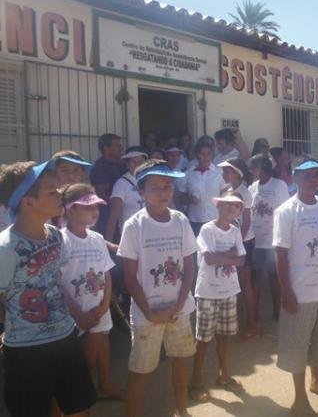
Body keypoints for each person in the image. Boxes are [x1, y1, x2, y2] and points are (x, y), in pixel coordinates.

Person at [0, 160, 97, 417]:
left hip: (65, 339)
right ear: (28, 202)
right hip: (26, 351)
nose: (60, 194)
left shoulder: (55, 235)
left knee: (79, 407)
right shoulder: (5, 248)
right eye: (52, 191)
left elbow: (56, 281)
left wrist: (76, 316)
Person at [117, 159, 197, 417]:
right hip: (146, 314)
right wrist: (151, 313)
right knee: (140, 371)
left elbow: (189, 267)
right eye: (155, 188)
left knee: (180, 362)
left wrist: (179, 304)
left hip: (179, 310)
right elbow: (130, 277)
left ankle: (183, 410)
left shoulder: (181, 221)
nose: (164, 192)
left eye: (168, 186)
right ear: (141, 192)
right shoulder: (134, 226)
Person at [273, 159, 318, 414]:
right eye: (308, 176)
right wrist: (287, 291)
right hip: (299, 292)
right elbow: (280, 255)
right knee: (297, 344)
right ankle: (299, 397)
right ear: (296, 178)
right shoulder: (286, 211)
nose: (313, 180)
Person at [60, 183, 121, 400]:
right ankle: (79, 399)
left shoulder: (96, 239)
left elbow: (106, 274)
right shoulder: (61, 240)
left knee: (96, 349)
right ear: (70, 209)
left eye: (96, 207)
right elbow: (56, 282)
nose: (95, 211)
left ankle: (100, 388)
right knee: (82, 360)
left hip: (98, 310)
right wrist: (78, 314)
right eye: (88, 207)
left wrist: (104, 306)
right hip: (73, 313)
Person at [189, 191, 247, 402]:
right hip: (208, 292)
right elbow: (210, 259)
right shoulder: (207, 229)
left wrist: (229, 256)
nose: (231, 208)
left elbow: (242, 260)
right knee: (203, 338)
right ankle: (195, 381)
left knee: (224, 335)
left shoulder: (235, 231)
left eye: (236, 206)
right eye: (227, 204)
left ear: (240, 210)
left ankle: (223, 375)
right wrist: (231, 254)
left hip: (229, 290)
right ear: (218, 206)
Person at [218, 158, 258, 338]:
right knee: (236, 285)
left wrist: (238, 244)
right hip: (231, 243)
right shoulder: (226, 191)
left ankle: (253, 325)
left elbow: (247, 221)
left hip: (244, 243)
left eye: (227, 170)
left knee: (245, 284)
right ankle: (240, 324)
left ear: (236, 172)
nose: (223, 174)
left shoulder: (246, 193)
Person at [248, 154, 289, 321]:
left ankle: (278, 312)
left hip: (273, 240)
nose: (251, 171)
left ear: (263, 168)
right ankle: (254, 313)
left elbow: (284, 211)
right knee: (256, 277)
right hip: (256, 240)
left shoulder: (279, 185)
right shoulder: (252, 187)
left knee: (274, 277)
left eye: (254, 167)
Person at [104, 147, 147, 243]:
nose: (138, 164)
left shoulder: (149, 180)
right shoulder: (121, 184)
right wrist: (108, 244)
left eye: (140, 161)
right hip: (129, 237)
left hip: (149, 235)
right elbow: (113, 217)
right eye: (133, 162)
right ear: (127, 164)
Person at [186, 139, 228, 236]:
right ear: (197, 155)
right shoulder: (189, 173)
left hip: (214, 219)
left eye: (208, 153)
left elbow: (226, 194)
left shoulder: (219, 172)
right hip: (195, 220)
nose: (206, 157)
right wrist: (190, 200)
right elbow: (180, 197)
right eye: (202, 154)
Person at [90, 133, 125, 234]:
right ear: (106, 149)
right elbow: (102, 195)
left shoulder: (122, 165)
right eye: (117, 145)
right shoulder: (100, 168)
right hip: (106, 214)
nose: (121, 148)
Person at [165, 145, 187, 210]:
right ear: (167, 156)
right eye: (172, 156)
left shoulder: (181, 171)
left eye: (177, 156)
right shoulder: (164, 171)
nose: (175, 158)